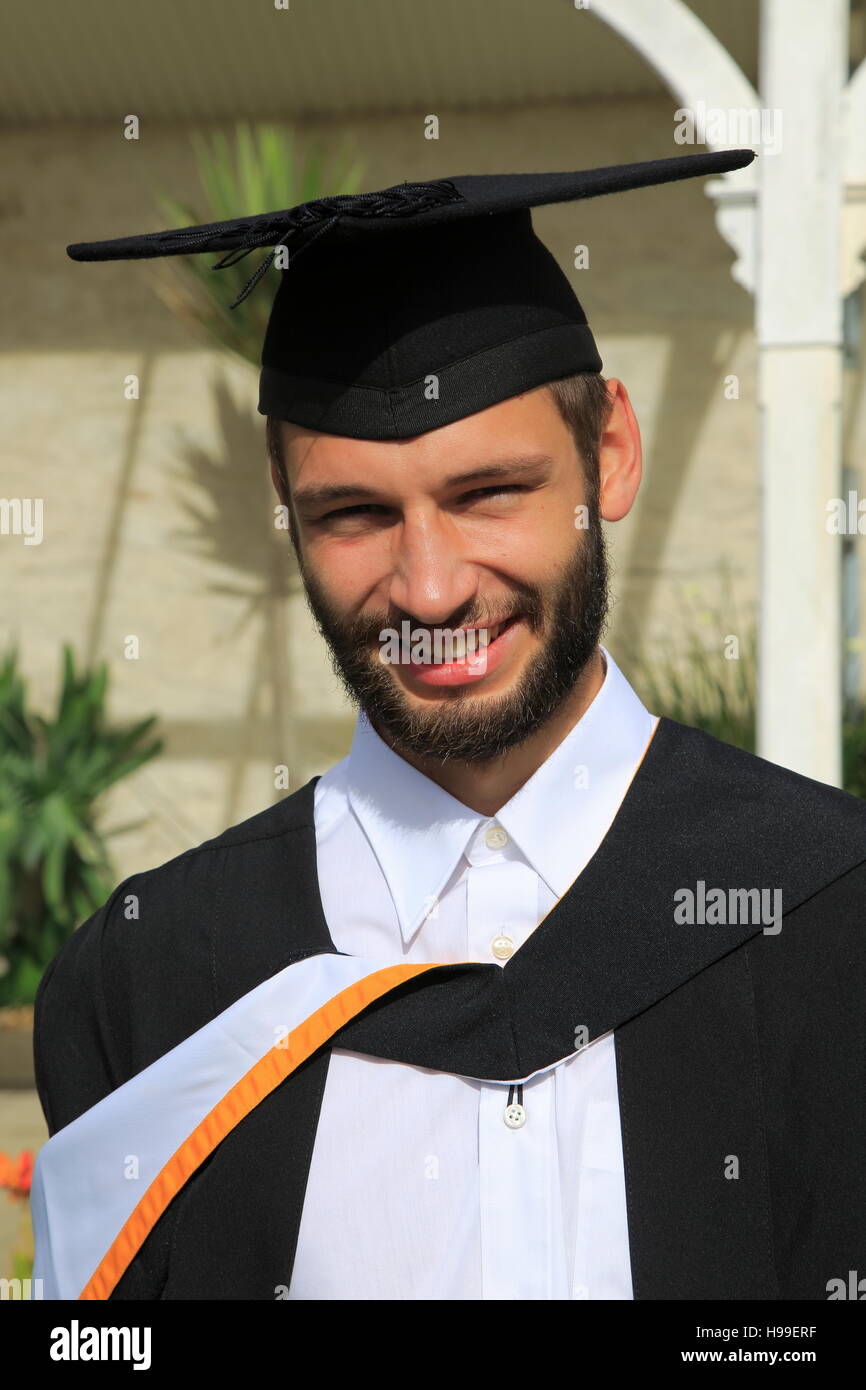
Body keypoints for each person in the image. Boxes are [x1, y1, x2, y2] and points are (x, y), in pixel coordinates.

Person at [31, 150, 866, 1301]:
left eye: (487, 494)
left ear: (607, 453)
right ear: (285, 513)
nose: (428, 590)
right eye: (355, 513)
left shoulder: (830, 915)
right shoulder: (158, 980)